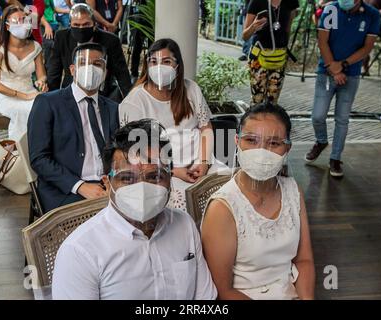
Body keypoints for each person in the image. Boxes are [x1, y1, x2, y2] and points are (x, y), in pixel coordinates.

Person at [52, 119, 217, 300]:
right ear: (108, 184)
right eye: (127, 178)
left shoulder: (184, 225)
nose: (142, 187)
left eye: (155, 176)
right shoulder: (80, 252)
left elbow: (204, 297)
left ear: (170, 179)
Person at [201, 103, 315, 300]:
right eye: (251, 140)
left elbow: (304, 260)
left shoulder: (292, 190)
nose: (261, 152)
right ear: (237, 142)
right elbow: (222, 289)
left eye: (274, 143)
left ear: (287, 148)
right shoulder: (222, 208)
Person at [119, 38, 227, 212]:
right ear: (147, 66)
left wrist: (204, 163)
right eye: (154, 62)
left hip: (201, 162)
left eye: (166, 61)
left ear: (177, 66)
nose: (159, 67)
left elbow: (205, 128)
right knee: (182, 202)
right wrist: (174, 171)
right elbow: (135, 152)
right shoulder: (135, 102)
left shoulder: (191, 89)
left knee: (228, 189)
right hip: (160, 170)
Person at [28, 42, 119, 212]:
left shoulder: (113, 108)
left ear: (105, 72)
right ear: (72, 69)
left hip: (108, 185)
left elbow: (118, 152)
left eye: (97, 64)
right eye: (83, 63)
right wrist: (80, 186)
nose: (90, 68)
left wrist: (114, 180)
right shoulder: (48, 103)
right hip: (66, 189)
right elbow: (39, 159)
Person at [305, 0, 381, 177]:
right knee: (318, 115)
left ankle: (335, 158)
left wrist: (343, 65)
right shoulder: (331, 9)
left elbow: (367, 47)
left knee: (342, 118)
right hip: (326, 72)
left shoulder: (372, 15)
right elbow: (322, 41)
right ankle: (321, 141)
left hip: (351, 74)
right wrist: (333, 67)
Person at [47, 3, 131, 101]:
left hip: (102, 95)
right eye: (76, 25)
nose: (81, 28)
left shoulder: (110, 41)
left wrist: (128, 100)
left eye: (86, 24)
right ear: (70, 25)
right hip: (70, 95)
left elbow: (122, 74)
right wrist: (52, 100)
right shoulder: (62, 37)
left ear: (94, 24)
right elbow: (54, 71)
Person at [0, 4, 47, 140]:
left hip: (29, 90)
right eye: (18, 21)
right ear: (7, 26)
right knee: (25, 110)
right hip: (7, 95)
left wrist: (41, 82)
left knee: (46, 109)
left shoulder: (35, 47)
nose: (23, 23)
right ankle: (18, 152)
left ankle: (39, 149)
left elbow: (41, 75)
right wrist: (22, 96)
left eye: (25, 19)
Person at [242, 0, 299, 105]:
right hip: (259, 56)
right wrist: (254, 26)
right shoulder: (256, 2)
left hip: (279, 56)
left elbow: (288, 29)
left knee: (272, 101)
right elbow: (245, 36)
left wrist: (283, 46)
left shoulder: (291, 2)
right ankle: (256, 120)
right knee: (257, 100)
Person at [362, 0, 381, 76]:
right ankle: (364, 69)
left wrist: (375, 12)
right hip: (361, 24)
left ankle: (366, 69)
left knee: (366, 48)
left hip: (374, 25)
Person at [41, 0, 59, 68]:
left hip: (53, 23)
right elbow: (34, 11)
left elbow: (54, 9)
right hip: (42, 24)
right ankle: (47, 68)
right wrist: (46, 25)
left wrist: (68, 10)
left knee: (55, 46)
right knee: (49, 45)